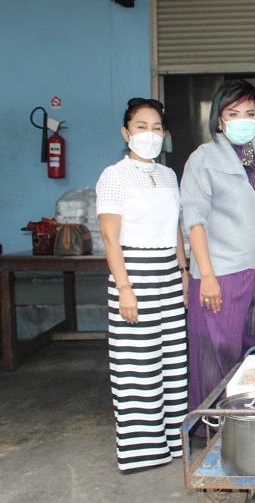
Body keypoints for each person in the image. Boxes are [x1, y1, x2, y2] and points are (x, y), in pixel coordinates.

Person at [96, 97, 189, 471]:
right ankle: (142, 450)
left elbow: (175, 228)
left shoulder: (168, 175)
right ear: (126, 132)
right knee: (138, 364)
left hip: (168, 273)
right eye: (141, 127)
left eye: (156, 128)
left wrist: (183, 272)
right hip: (134, 273)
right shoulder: (114, 175)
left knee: (172, 361)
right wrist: (124, 288)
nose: (149, 134)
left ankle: (173, 442)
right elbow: (109, 237)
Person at [180, 80, 255, 415]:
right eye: (233, 113)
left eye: (249, 113)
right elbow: (194, 222)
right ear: (219, 120)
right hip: (220, 273)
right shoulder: (202, 159)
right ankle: (213, 430)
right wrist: (206, 276)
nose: (242, 120)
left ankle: (249, 425)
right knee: (215, 356)